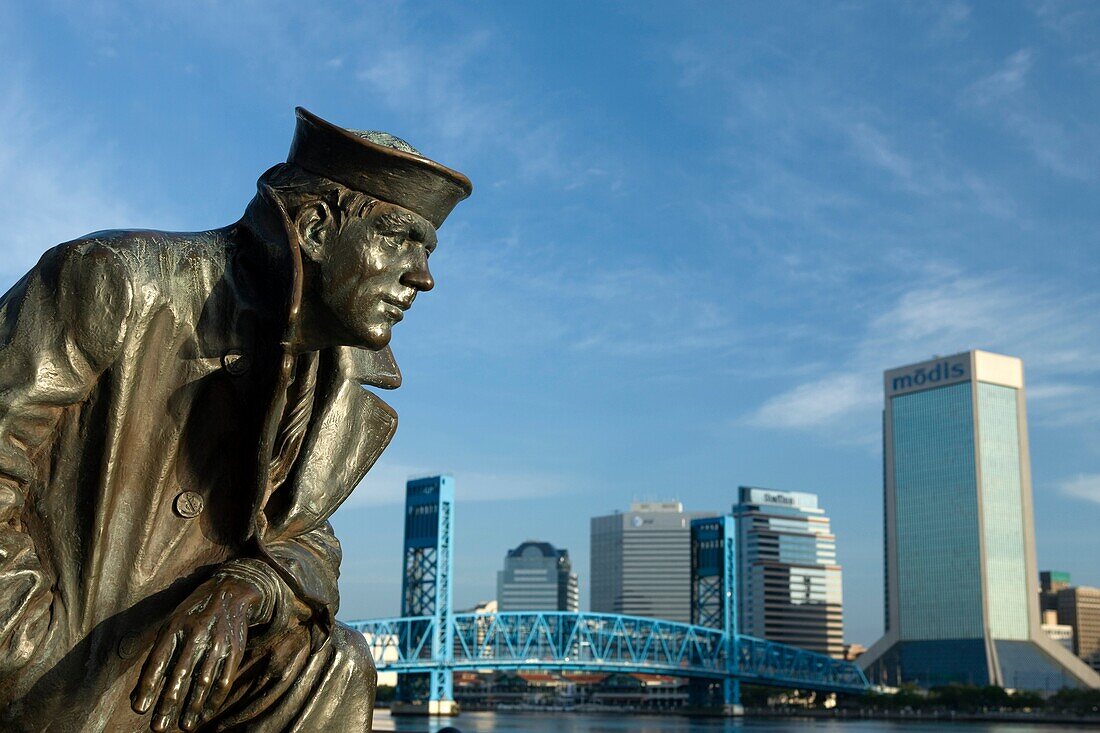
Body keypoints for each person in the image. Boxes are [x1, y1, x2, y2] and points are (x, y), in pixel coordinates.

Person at [0, 108, 471, 732]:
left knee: (333, 663)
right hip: (56, 663)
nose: (424, 277)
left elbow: (308, 535)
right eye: (399, 238)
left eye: (427, 250)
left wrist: (255, 586)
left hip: (186, 675)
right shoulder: (115, 281)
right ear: (314, 226)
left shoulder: (340, 387)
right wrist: (21, 645)